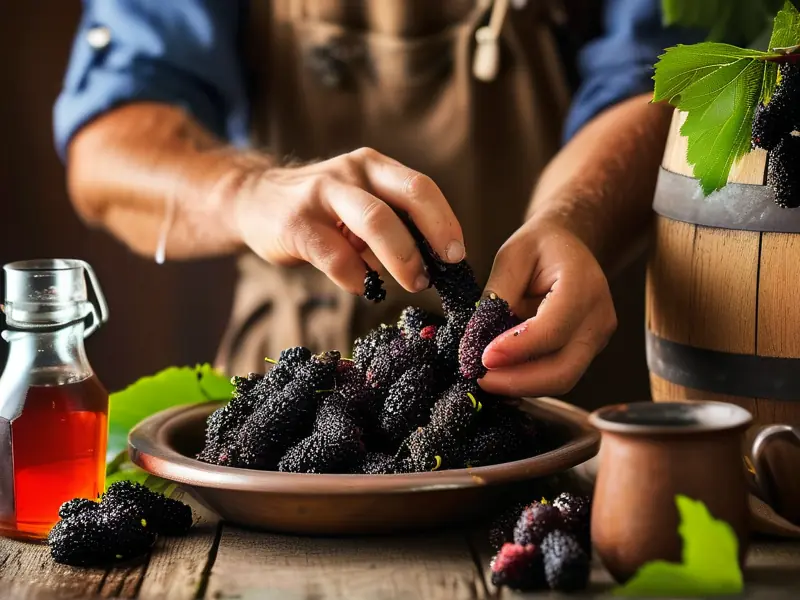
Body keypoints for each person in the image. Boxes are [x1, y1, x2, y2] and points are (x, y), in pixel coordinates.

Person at [54, 0, 702, 401]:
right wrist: (245, 191)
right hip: (295, 386)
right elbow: (107, 143)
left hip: (560, 391)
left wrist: (573, 217)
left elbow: (662, 77)